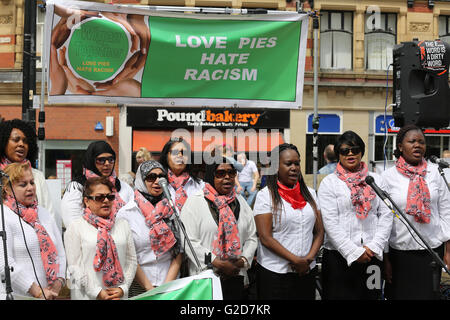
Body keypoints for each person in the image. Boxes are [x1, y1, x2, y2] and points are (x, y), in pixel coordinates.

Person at [318, 131, 392, 300]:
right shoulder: (329, 183)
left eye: (355, 149)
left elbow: (386, 215)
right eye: (345, 151)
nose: (350, 154)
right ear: (338, 154)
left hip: (371, 257)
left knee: (371, 297)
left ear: (362, 151)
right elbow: (330, 223)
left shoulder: (376, 180)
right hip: (339, 258)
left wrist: (373, 247)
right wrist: (353, 252)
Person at [381, 124, 450, 300]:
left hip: (432, 252)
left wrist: (448, 250)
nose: (417, 145)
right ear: (400, 147)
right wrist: (386, 257)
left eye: (421, 142)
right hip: (400, 254)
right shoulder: (388, 177)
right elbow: (383, 219)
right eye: (412, 141)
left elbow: (446, 212)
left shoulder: (436, 172)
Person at [253, 143, 324, 300]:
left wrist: (308, 259)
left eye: (297, 163)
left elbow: (319, 232)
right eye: (288, 163)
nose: (294, 168)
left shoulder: (311, 194)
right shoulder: (265, 196)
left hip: (306, 272)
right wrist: (295, 260)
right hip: (275, 274)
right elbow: (265, 237)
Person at [180, 157, 257, 300]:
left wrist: (242, 261)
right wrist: (218, 263)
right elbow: (189, 241)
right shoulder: (194, 202)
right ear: (210, 176)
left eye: (231, 173)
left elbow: (252, 237)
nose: (227, 177)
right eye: (220, 173)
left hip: (236, 277)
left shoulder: (240, 202)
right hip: (205, 280)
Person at [0, 162, 66, 299]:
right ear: (7, 189)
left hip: (49, 294)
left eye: (32, 183)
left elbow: (60, 252)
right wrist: (37, 291)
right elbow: (4, 263)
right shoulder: (3, 216)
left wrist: (58, 282)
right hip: (19, 295)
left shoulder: (43, 213)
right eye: (23, 185)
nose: (30, 188)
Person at [64, 177, 137, 300]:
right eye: (99, 197)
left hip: (118, 295)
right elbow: (75, 266)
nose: (106, 201)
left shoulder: (122, 224)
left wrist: (123, 288)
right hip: (87, 296)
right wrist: (97, 292)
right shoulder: (76, 227)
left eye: (110, 197)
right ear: (86, 201)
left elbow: (132, 260)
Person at [117, 160, 182, 297]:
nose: (157, 181)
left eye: (161, 176)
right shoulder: (127, 213)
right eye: (151, 177)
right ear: (141, 180)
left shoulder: (172, 208)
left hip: (170, 285)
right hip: (140, 284)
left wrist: (165, 288)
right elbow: (128, 256)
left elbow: (179, 252)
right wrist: (150, 288)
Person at [61, 140, 134, 229]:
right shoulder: (78, 187)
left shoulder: (123, 187)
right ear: (91, 161)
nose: (107, 164)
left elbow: (133, 217)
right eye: (101, 160)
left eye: (110, 159)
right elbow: (71, 222)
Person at [0, 119, 56, 225]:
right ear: (4, 142)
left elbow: (49, 214)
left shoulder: (37, 176)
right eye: (16, 140)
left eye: (25, 141)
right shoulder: (1, 175)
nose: (21, 144)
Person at [159, 137, 205, 213]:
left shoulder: (200, 185)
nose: (180, 155)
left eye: (184, 153)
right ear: (166, 156)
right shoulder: (157, 184)